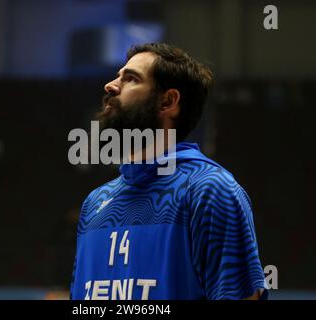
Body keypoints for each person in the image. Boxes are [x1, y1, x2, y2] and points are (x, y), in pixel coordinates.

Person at [70, 43, 267, 300]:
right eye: (118, 76)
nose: (111, 85)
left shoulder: (208, 190)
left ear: (168, 101)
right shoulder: (94, 203)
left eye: (131, 79)